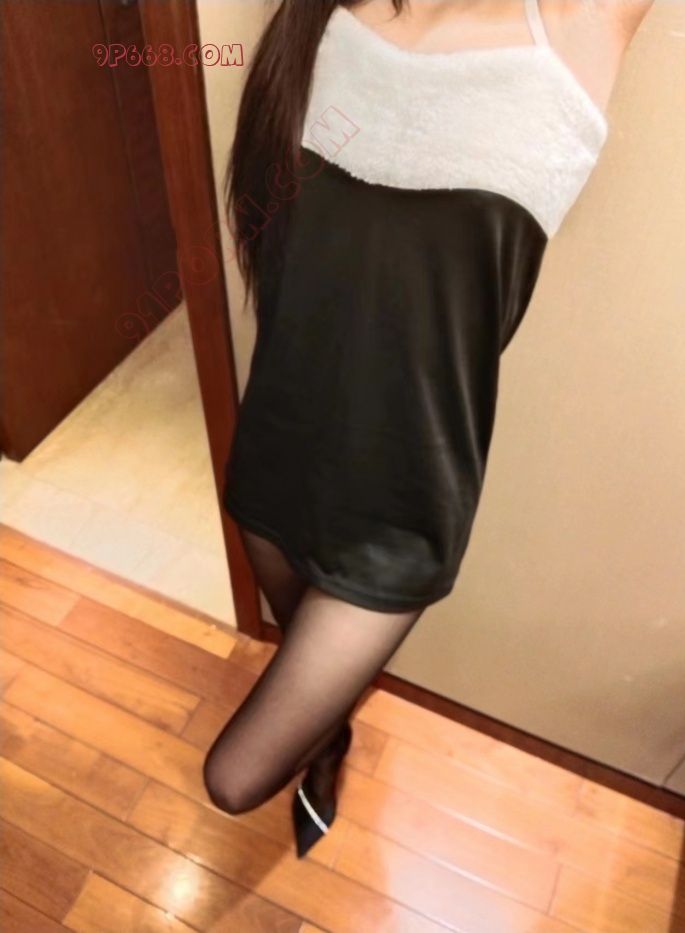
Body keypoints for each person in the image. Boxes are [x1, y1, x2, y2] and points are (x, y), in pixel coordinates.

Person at [203, 0, 656, 859]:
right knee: (299, 651)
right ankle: (327, 728)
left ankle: (326, 740)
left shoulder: (579, 26)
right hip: (278, 447)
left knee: (233, 775)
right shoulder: (323, 18)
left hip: (400, 507)